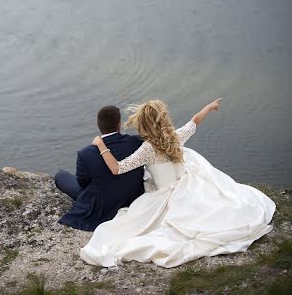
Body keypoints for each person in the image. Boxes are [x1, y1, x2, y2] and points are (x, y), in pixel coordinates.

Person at [80, 99, 275, 268]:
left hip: (166, 195)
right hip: (187, 183)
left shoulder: (147, 148)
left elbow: (117, 168)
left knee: (132, 226)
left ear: (144, 124)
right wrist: (209, 107)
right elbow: (195, 121)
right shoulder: (174, 136)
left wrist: (100, 145)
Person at [55, 105, 145, 231]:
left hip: (103, 203)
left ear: (99, 125)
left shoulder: (85, 153)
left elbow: (82, 183)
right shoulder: (136, 142)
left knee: (61, 176)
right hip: (132, 196)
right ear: (118, 123)